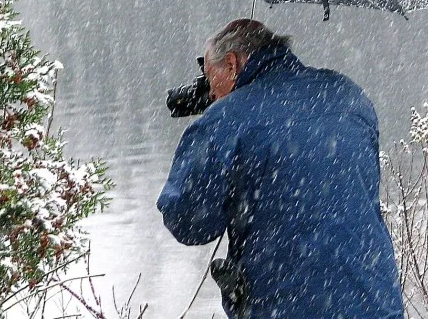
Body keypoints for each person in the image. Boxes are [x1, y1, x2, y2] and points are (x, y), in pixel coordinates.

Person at [157, 19, 405, 319]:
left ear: (232, 63)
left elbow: (188, 223)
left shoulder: (224, 121)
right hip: (373, 299)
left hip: (286, 305)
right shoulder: (348, 94)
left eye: (210, 78)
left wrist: (207, 134)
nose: (210, 92)